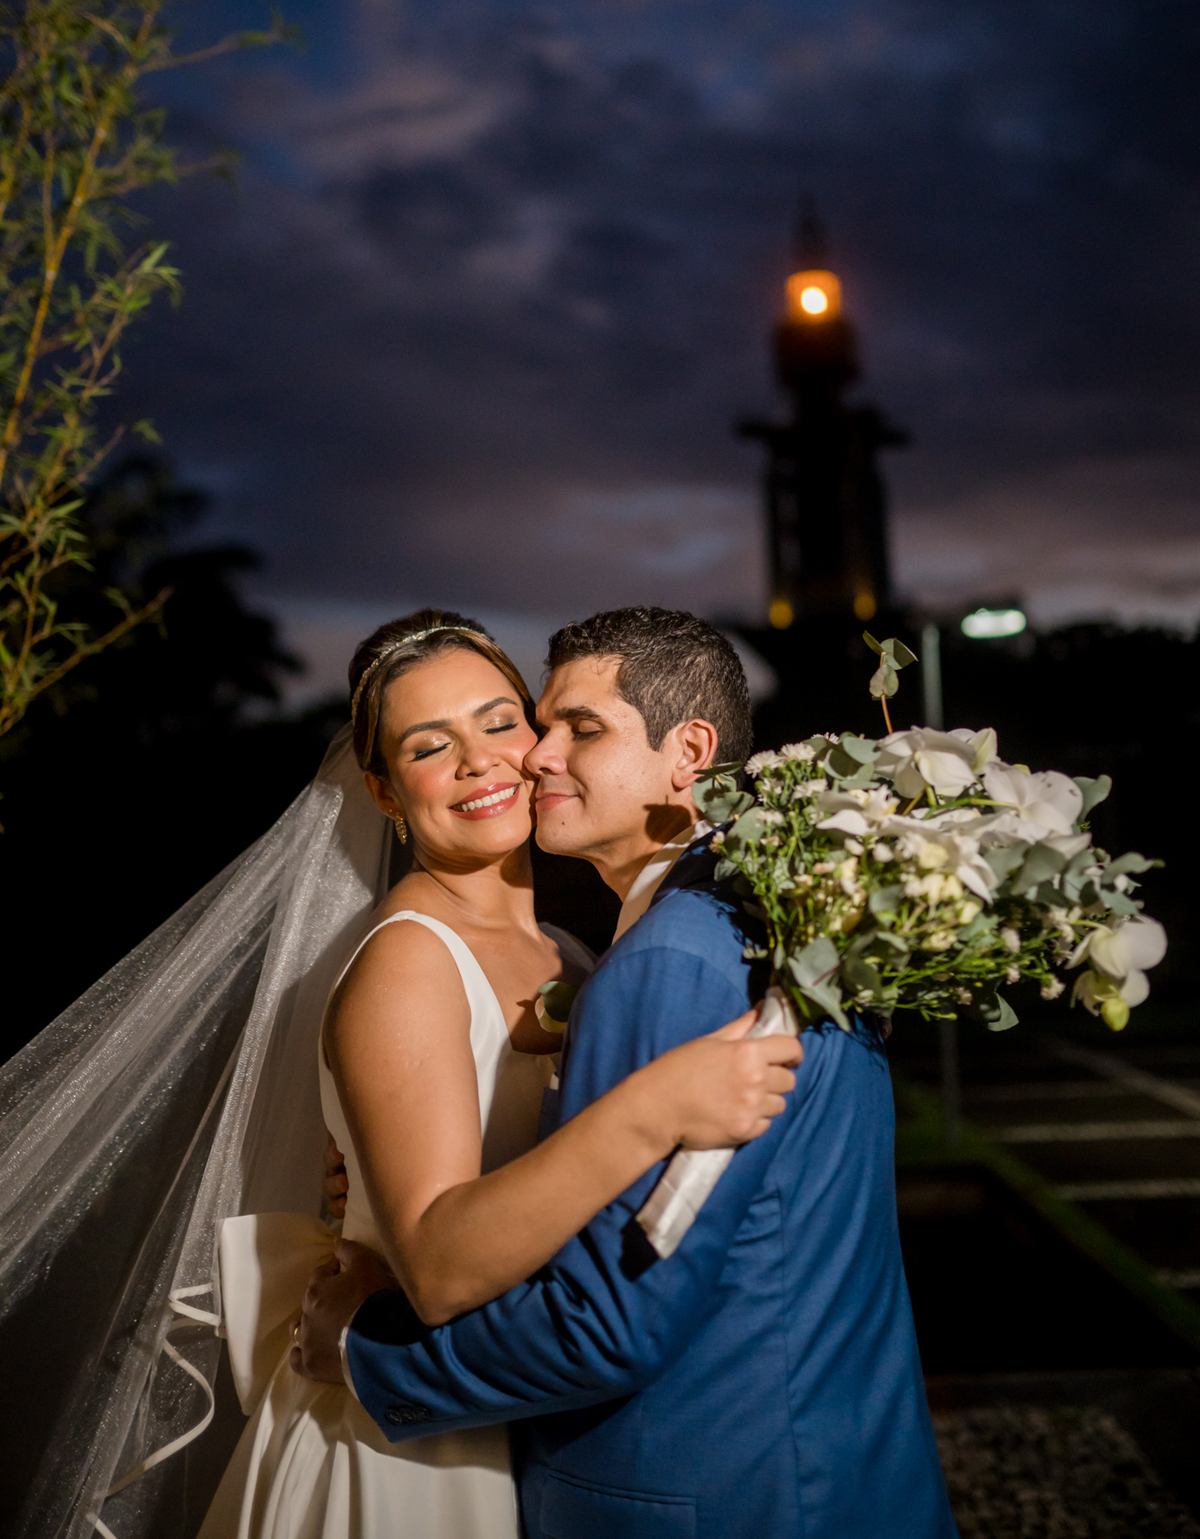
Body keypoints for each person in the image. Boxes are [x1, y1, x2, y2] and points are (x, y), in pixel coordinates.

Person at [294, 606, 958, 1539]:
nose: (520, 759)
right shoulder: (774, 916)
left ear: (689, 750)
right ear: (384, 791)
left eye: (521, 723)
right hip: (808, 1465)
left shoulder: (635, 959)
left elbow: (611, 1314)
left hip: (726, 1483)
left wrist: (368, 1352)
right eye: (429, 745)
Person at [197, 610, 801, 1539]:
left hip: (514, 1408)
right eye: (429, 746)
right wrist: (655, 1107)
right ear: (386, 792)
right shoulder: (407, 964)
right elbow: (436, 1270)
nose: (480, 762)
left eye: (500, 721)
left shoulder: (566, 949)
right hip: (408, 1458)